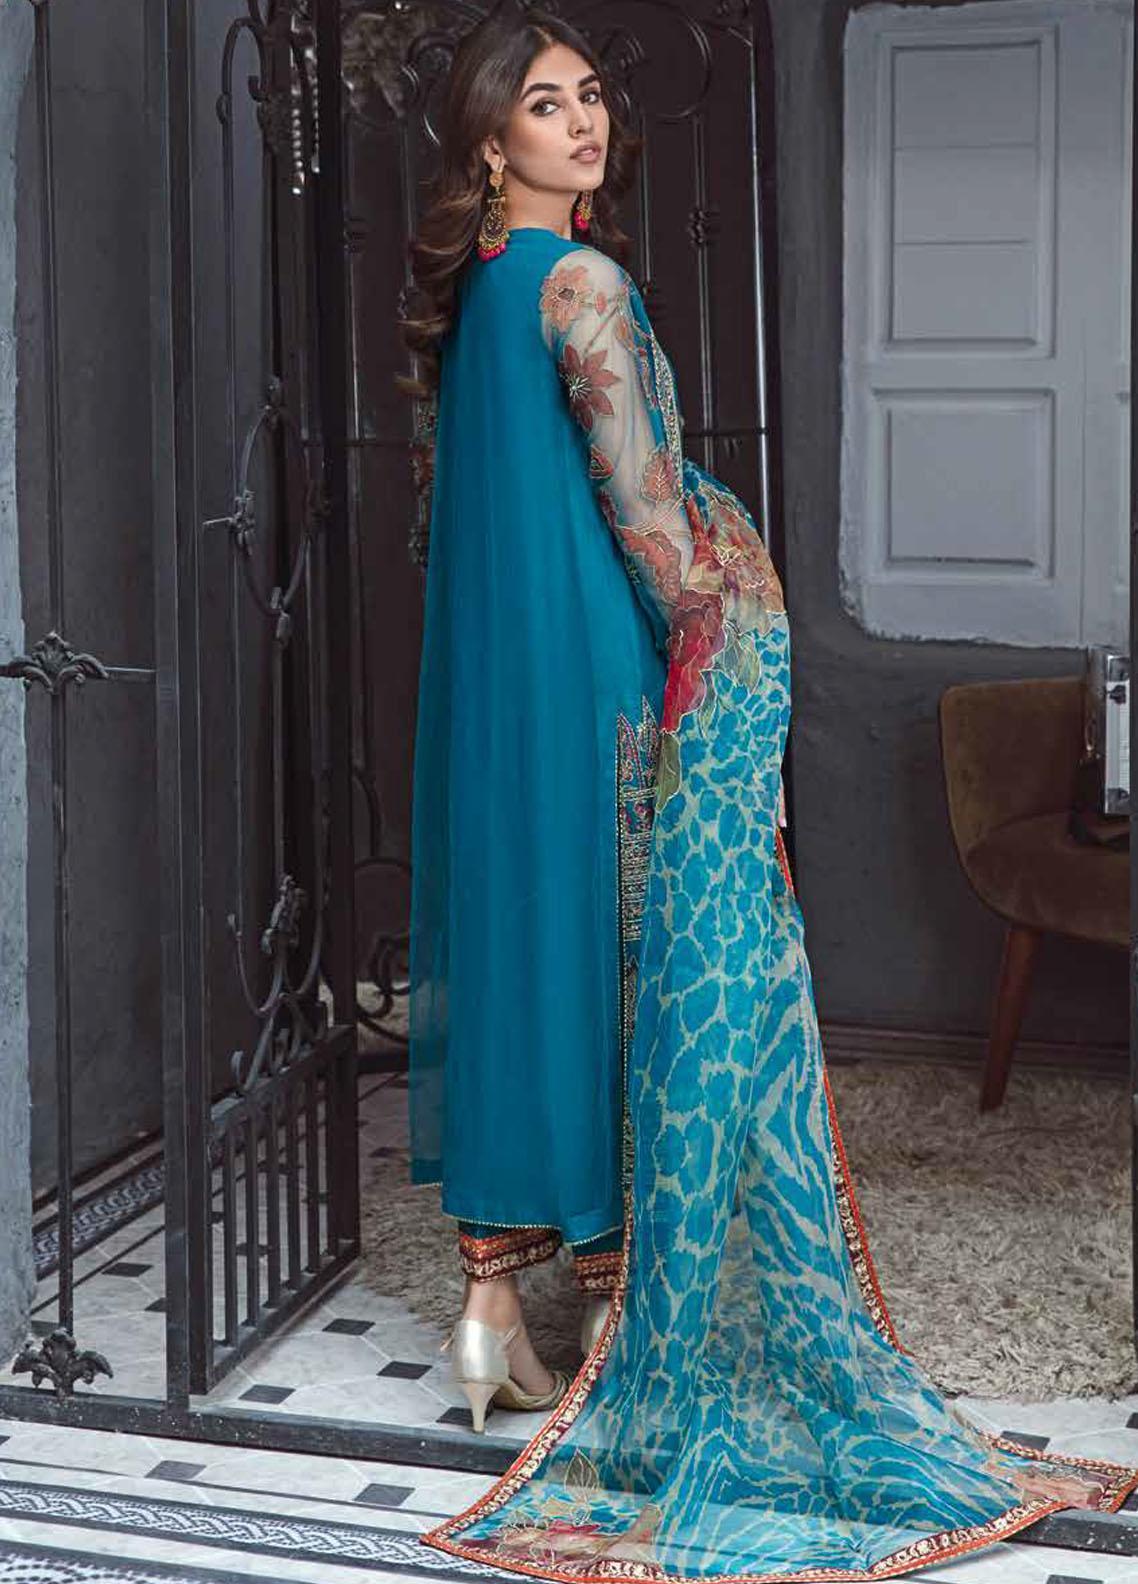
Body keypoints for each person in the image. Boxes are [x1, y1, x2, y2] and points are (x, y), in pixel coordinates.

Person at [399, 10, 1138, 1580]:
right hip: (601, 672)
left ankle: (487, 1305)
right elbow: (644, 511)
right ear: (489, 142)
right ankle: (628, 1310)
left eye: (588, 96)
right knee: (636, 965)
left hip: (497, 679)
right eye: (545, 105)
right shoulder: (581, 284)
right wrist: (719, 626)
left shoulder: (484, 289)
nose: (583, 122)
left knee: (526, 946)